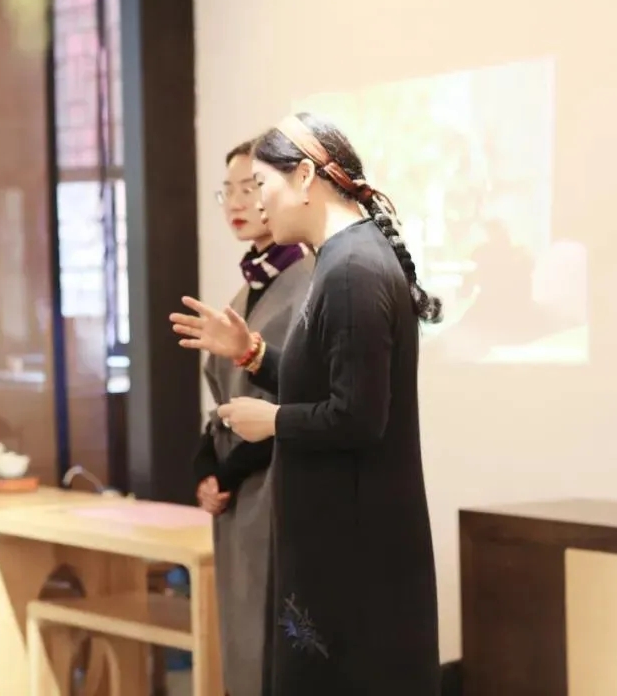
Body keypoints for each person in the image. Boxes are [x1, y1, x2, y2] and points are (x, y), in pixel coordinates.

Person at [170, 113, 442, 694]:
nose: (256, 204)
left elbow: (358, 417)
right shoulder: (342, 259)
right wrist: (250, 353)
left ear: (303, 178)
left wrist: (271, 420)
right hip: (338, 533)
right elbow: (321, 383)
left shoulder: (351, 270)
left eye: (261, 185)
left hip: (350, 541)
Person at [192, 139, 313, 696]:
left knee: (278, 644)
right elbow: (219, 399)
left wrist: (230, 470)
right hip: (237, 495)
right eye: (229, 191)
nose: (238, 202)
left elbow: (302, 397)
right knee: (240, 640)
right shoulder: (244, 292)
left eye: (251, 187)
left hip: (279, 484)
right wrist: (206, 469)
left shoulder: (311, 280)